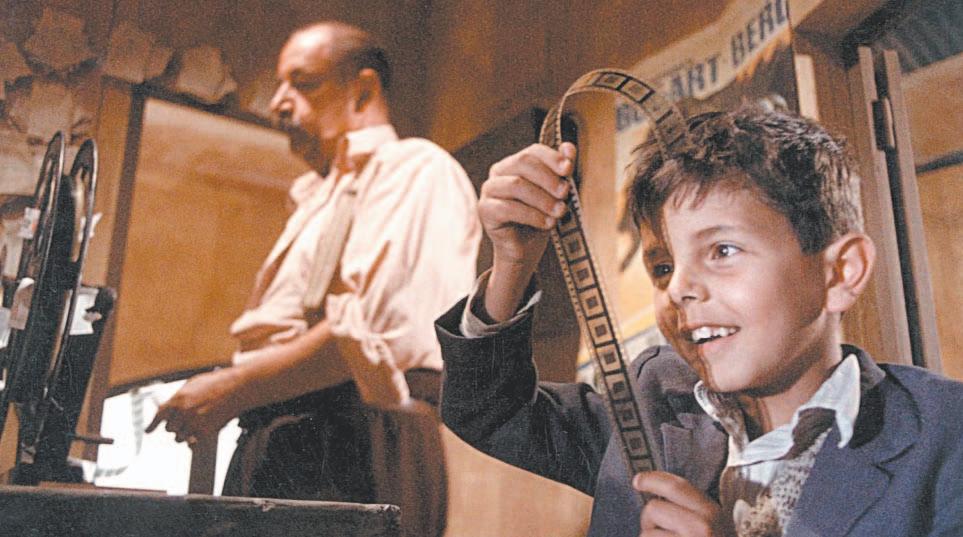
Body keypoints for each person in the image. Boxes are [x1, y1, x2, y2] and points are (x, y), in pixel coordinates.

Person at [435, 107, 963, 536]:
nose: (678, 289)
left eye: (723, 251)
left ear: (841, 272)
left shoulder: (945, 437)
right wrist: (514, 260)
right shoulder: (654, 397)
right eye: (663, 266)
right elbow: (490, 413)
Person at [148, 21, 481, 537]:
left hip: (350, 443)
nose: (278, 102)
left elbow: (371, 334)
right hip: (287, 436)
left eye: (303, 83)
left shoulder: (415, 169)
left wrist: (231, 388)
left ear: (362, 91)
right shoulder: (318, 196)